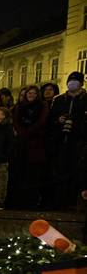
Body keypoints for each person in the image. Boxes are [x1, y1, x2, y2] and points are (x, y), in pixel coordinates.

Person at [48, 71, 87, 209]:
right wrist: (58, 120)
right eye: (70, 80)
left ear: (81, 83)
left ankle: (72, 202)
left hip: (78, 141)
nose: (72, 83)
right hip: (60, 140)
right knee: (59, 170)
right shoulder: (59, 100)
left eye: (75, 81)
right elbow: (50, 119)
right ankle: (58, 202)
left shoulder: (85, 98)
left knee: (75, 171)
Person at [12, 84, 49, 208]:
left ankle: (32, 200)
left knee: (33, 172)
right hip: (22, 142)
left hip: (36, 141)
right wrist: (22, 132)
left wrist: (30, 131)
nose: (31, 96)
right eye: (29, 93)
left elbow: (42, 121)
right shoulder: (20, 107)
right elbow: (16, 121)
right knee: (21, 171)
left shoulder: (42, 106)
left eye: (34, 93)